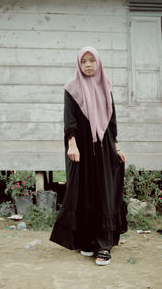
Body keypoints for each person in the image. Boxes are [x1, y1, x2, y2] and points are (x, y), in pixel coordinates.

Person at [50, 46, 127, 266]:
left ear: (98, 62)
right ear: (79, 64)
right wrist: (72, 144)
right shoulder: (71, 88)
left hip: (103, 147)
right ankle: (87, 240)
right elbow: (70, 119)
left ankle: (104, 245)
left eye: (92, 60)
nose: (88, 65)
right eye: (83, 61)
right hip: (81, 148)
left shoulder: (106, 86)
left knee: (104, 191)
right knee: (83, 192)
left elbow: (111, 121)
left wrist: (117, 146)